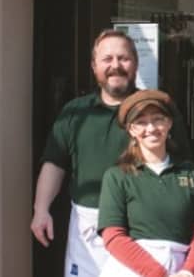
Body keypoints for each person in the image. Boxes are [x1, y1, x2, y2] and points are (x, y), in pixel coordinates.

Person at [30, 29, 140, 277]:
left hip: (140, 228)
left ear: (135, 63)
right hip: (87, 230)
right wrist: (41, 210)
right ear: (94, 66)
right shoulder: (75, 112)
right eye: (107, 59)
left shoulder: (153, 111)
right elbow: (54, 164)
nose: (115, 66)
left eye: (123, 58)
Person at [97, 90, 194, 277]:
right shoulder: (117, 176)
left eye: (158, 119)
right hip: (131, 270)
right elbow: (113, 236)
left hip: (178, 270)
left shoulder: (190, 173)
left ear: (169, 124)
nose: (150, 128)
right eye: (141, 122)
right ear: (131, 130)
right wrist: (157, 273)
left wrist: (189, 271)